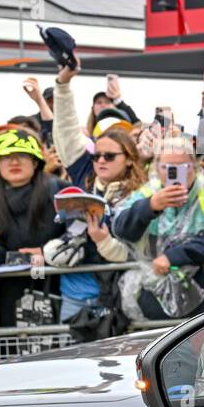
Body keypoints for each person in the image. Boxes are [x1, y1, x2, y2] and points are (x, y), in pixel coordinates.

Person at [48, 57, 149, 324]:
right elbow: (67, 130)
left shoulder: (144, 191)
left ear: (128, 158)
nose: (101, 160)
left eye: (109, 156)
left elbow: (137, 253)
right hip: (75, 296)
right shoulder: (85, 174)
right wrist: (63, 83)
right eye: (97, 155)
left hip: (123, 298)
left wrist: (103, 240)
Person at [112, 136, 204, 320]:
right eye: (167, 168)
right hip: (159, 292)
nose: (175, 173)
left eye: (183, 167)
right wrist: (149, 207)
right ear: (156, 168)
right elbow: (120, 229)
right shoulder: (149, 192)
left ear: (195, 165)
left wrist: (174, 256)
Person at [0, 128, 66, 329]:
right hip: (6, 297)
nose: (14, 162)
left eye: (22, 155)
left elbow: (82, 236)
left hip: (57, 290)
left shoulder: (60, 191)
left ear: (35, 162)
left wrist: (46, 252)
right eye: (6, 157)